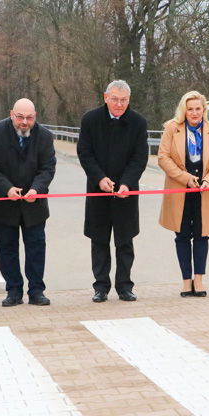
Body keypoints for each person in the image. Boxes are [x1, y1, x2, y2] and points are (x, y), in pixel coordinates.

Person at [77, 80, 149, 302]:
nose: (119, 104)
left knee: (125, 240)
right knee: (99, 240)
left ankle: (124, 286)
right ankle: (101, 287)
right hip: (98, 190)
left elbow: (140, 157)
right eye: (115, 99)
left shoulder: (138, 122)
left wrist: (127, 182)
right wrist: (99, 178)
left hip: (126, 193)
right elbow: (85, 153)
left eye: (124, 100)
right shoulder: (90, 120)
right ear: (105, 97)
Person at [0, 98, 56, 306]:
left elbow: (48, 168)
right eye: (20, 117)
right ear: (11, 114)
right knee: (6, 248)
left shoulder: (45, 136)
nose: (25, 122)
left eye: (29, 118)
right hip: (4, 203)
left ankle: (36, 290)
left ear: (35, 117)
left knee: (36, 248)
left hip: (34, 205)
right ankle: (13, 290)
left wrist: (36, 188)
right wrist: (6, 188)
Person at [157, 91, 209, 297]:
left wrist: (208, 179)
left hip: (204, 191)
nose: (194, 113)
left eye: (198, 108)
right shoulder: (172, 128)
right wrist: (185, 178)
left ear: (203, 110)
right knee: (183, 235)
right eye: (190, 109)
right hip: (180, 190)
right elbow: (163, 157)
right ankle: (186, 281)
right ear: (183, 110)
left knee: (202, 235)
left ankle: (199, 280)